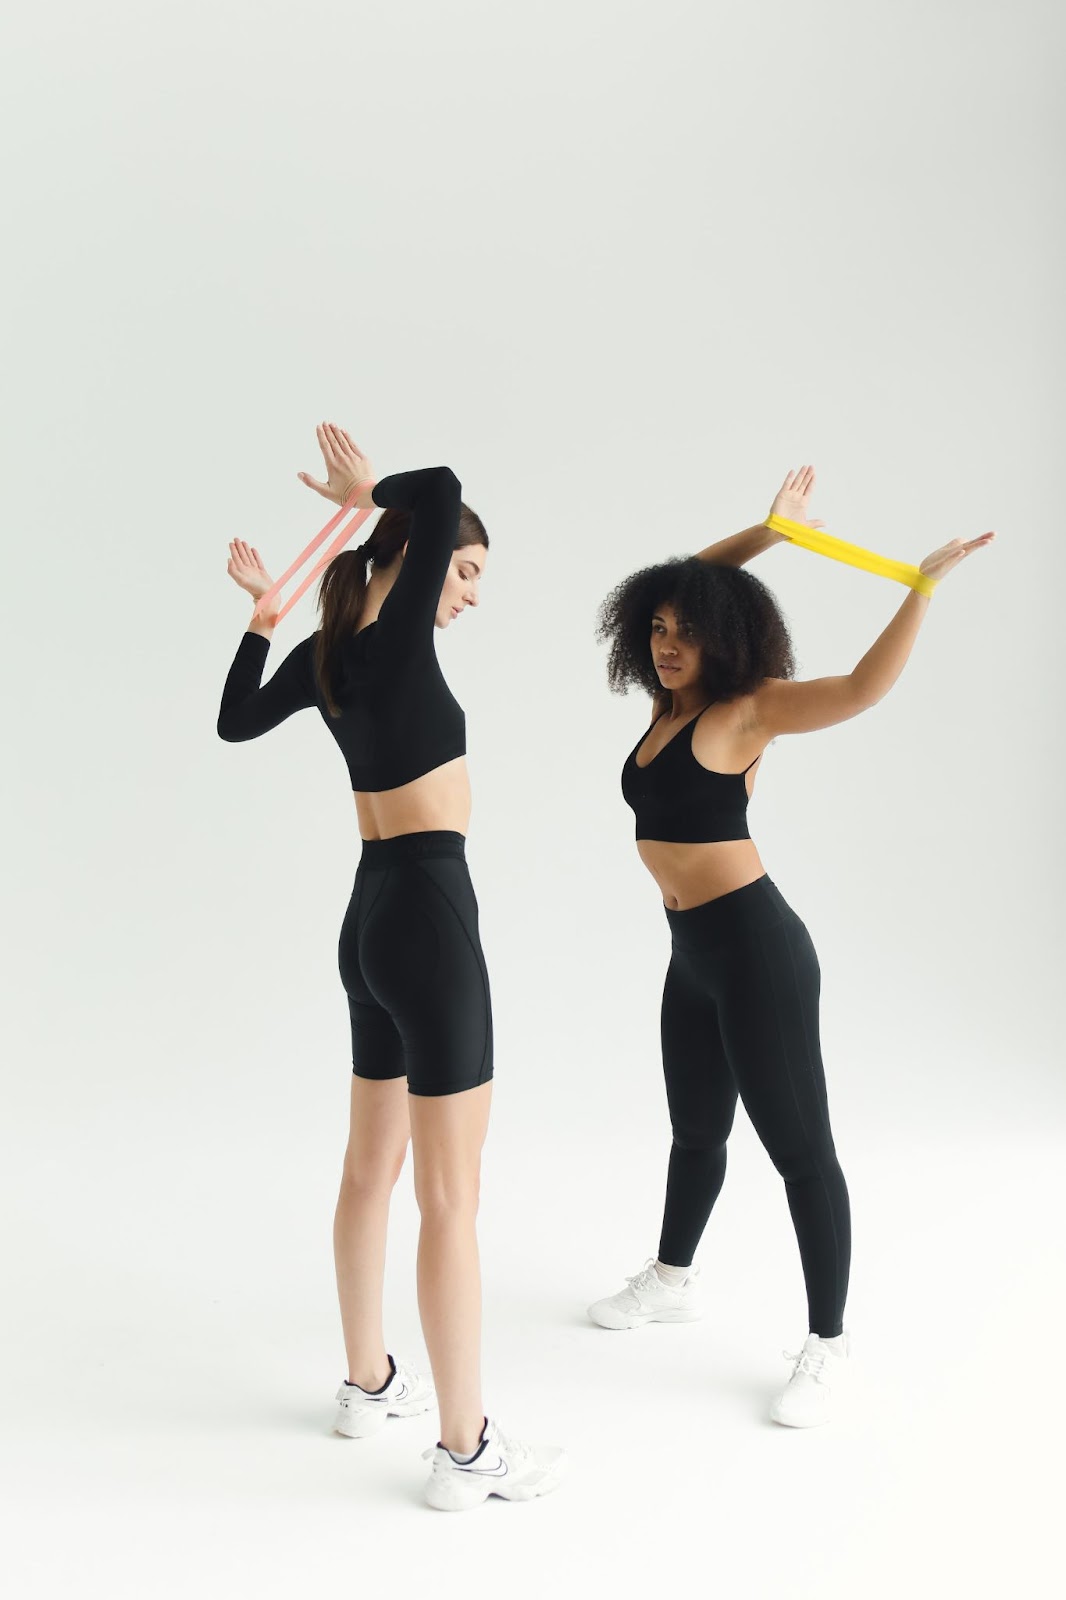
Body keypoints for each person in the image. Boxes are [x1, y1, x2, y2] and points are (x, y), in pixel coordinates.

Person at [588, 467, 995, 1426]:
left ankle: (829, 1343)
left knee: (801, 1152)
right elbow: (686, 576)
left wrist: (919, 589)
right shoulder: (666, 709)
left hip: (757, 953)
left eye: (687, 631)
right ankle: (672, 1279)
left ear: (724, 637)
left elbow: (860, 689)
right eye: (659, 628)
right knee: (696, 1130)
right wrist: (770, 531)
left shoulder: (747, 710)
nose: (668, 643)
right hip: (691, 953)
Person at [218, 422, 565, 1508]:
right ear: (414, 559)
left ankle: (367, 1383)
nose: (470, 594)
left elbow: (234, 720)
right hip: (428, 915)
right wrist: (373, 496)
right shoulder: (401, 626)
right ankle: (466, 1451)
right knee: (450, 1198)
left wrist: (261, 623)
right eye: (466, 571)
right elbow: (445, 483)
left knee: (370, 1170)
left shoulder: (327, 655)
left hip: (367, 921)